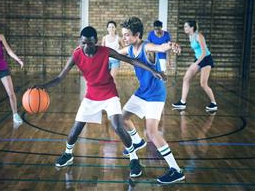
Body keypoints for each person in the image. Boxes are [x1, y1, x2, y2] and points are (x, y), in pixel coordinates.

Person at [35, 26, 171, 178]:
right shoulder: (76, 55)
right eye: (83, 43)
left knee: (118, 126)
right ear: (80, 42)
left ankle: (134, 159)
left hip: (109, 94)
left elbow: (131, 60)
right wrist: (43, 86)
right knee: (75, 129)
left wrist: (153, 71)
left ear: (96, 42)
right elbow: (60, 77)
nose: (87, 47)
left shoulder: (105, 51)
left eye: (90, 43)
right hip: (91, 95)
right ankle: (68, 154)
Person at [118, 17, 185, 184]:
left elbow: (161, 46)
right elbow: (114, 53)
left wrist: (172, 45)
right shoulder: (129, 49)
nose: (124, 38)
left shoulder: (146, 46)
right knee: (122, 118)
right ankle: (137, 141)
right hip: (142, 92)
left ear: (137, 35)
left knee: (152, 132)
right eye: (123, 35)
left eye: (127, 35)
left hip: (155, 94)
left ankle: (176, 170)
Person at [172, 20, 217, 111]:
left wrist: (196, 63)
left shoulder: (199, 36)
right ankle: (182, 102)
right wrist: (179, 49)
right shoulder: (190, 36)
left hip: (206, 59)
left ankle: (214, 103)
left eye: (186, 27)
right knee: (186, 78)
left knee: (203, 84)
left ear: (192, 28)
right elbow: (197, 51)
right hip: (199, 59)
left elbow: (204, 52)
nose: (184, 28)